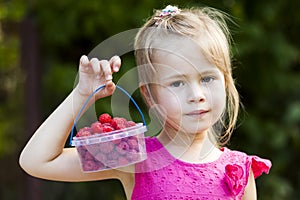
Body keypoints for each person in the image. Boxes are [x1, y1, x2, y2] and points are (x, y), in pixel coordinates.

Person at [19, 5, 271, 200]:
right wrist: (81, 95)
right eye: (177, 83)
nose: (197, 94)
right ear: (150, 96)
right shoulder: (134, 157)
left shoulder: (240, 171)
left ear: (226, 82)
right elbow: (37, 161)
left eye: (207, 78)